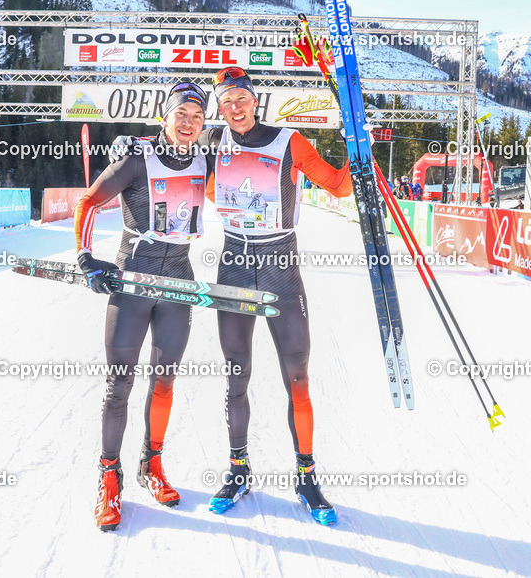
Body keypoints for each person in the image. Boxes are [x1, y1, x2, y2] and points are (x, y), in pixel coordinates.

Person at [202, 66, 353, 525]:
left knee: (297, 376)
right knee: (236, 375)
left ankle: (306, 476)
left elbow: (340, 186)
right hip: (233, 264)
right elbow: (197, 186)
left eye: (241, 98)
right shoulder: (212, 143)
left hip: (279, 266)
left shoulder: (290, 142)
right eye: (226, 101)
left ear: (254, 100)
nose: (235, 107)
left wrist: (357, 148)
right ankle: (238, 469)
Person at [73, 82, 210, 531]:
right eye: (181, 114)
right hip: (131, 280)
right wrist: (84, 257)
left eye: (196, 115)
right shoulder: (137, 159)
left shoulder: (205, 161)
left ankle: (151, 465)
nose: (188, 123)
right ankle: (109, 478)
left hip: (178, 285)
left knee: (165, 382)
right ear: (165, 117)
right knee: (119, 387)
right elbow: (89, 201)